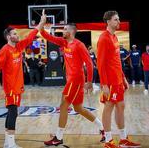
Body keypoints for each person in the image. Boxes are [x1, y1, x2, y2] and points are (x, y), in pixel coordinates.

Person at [40, 12, 104, 146]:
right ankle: (102, 128)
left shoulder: (79, 45)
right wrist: (42, 23)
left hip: (76, 80)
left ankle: (58, 137)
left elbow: (90, 64)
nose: (63, 31)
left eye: (65, 29)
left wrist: (90, 81)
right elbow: (46, 36)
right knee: (79, 108)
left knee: (63, 106)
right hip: (71, 80)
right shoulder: (63, 42)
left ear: (72, 31)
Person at [0, 13, 46, 148]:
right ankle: (11, 144)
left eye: (17, 33)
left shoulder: (19, 46)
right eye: (15, 34)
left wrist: (41, 23)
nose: (17, 35)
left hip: (17, 87)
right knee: (13, 112)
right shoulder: (5, 50)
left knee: (12, 112)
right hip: (10, 87)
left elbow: (31, 35)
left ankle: (7, 142)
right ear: (8, 37)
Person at [97, 11, 140, 148]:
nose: (119, 21)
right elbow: (101, 63)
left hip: (118, 80)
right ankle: (108, 141)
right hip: (109, 81)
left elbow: (117, 61)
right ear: (108, 21)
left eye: (119, 19)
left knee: (121, 106)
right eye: (116, 19)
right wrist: (104, 84)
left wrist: (123, 78)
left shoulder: (114, 37)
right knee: (108, 107)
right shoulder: (103, 38)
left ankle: (123, 139)